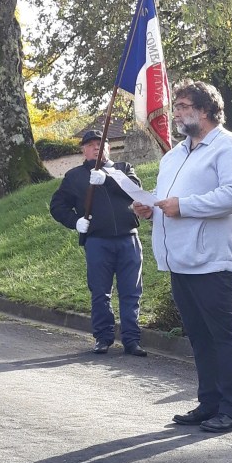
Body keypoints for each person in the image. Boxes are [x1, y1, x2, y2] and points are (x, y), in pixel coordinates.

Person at [134, 80, 232, 434]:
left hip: (214, 260)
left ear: (205, 110)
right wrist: (151, 208)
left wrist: (183, 206)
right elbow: (169, 199)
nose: (176, 114)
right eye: (177, 107)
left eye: (184, 106)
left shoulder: (229, 146)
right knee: (200, 337)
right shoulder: (174, 155)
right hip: (180, 260)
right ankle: (209, 403)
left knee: (223, 336)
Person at [50, 130, 147, 356]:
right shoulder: (74, 177)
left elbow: (135, 190)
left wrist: (108, 180)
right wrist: (75, 222)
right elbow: (58, 206)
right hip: (97, 241)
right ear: (83, 150)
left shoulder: (123, 169)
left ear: (108, 148)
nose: (97, 147)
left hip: (128, 239)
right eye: (91, 145)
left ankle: (132, 340)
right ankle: (103, 338)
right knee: (100, 292)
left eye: (101, 144)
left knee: (131, 292)